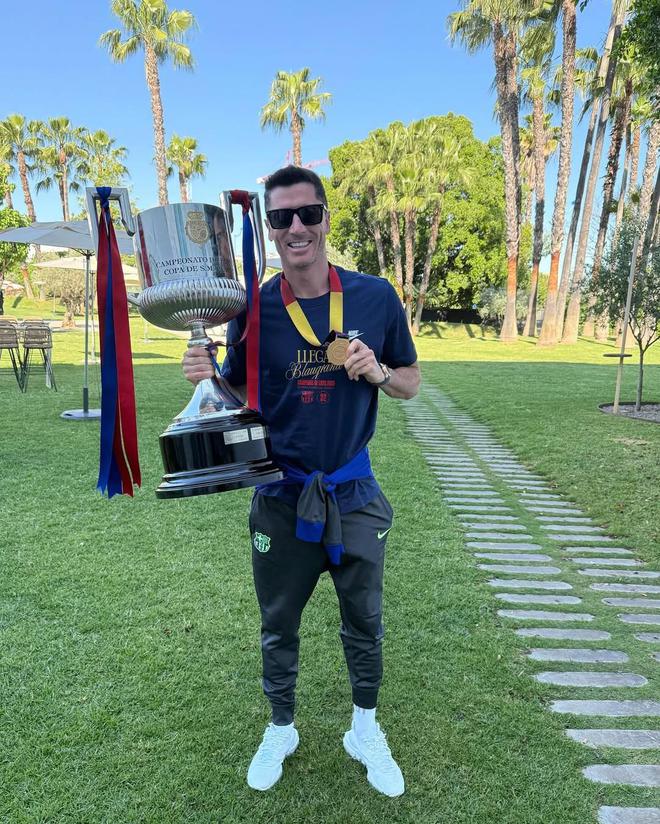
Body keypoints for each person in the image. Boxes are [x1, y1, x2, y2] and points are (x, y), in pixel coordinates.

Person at [182, 166, 420, 797]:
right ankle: (281, 726)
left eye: (307, 214)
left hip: (354, 493)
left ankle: (364, 728)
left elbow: (411, 382)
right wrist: (207, 376)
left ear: (325, 219)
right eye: (281, 217)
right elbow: (238, 393)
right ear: (269, 227)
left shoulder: (374, 296)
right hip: (281, 496)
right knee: (278, 622)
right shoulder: (252, 308)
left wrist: (378, 371)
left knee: (364, 619)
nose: (296, 228)